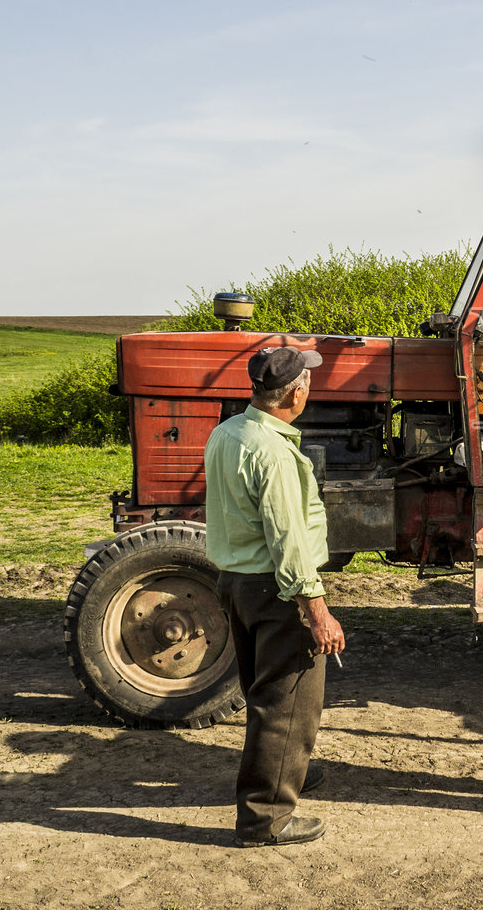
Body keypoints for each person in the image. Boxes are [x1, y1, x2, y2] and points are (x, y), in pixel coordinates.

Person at [204, 344, 347, 847]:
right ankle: (265, 820)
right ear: (297, 392)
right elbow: (287, 539)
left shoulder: (228, 433)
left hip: (237, 583)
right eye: (307, 380)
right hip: (277, 589)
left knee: (264, 692)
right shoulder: (273, 454)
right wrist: (317, 609)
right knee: (287, 703)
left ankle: (292, 768)